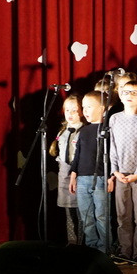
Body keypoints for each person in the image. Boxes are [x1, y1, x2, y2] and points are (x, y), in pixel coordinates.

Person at [109, 80, 137, 262]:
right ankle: (125, 250)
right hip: (120, 174)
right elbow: (112, 147)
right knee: (122, 215)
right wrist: (115, 171)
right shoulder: (114, 118)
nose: (129, 95)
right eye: (126, 92)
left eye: (134, 92)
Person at [69, 91, 114, 253]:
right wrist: (73, 175)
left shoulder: (107, 130)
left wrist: (111, 176)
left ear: (102, 108)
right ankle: (91, 247)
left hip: (101, 178)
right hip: (82, 179)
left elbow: (112, 155)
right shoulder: (84, 131)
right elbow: (77, 155)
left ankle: (105, 248)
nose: (85, 111)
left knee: (102, 216)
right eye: (83, 107)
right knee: (86, 216)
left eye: (89, 107)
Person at [50, 94, 86, 244]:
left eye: (74, 110)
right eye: (67, 110)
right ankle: (72, 242)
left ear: (82, 112)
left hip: (79, 175)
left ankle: (82, 244)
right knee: (68, 212)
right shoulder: (63, 131)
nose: (70, 114)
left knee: (81, 213)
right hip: (64, 175)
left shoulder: (84, 131)